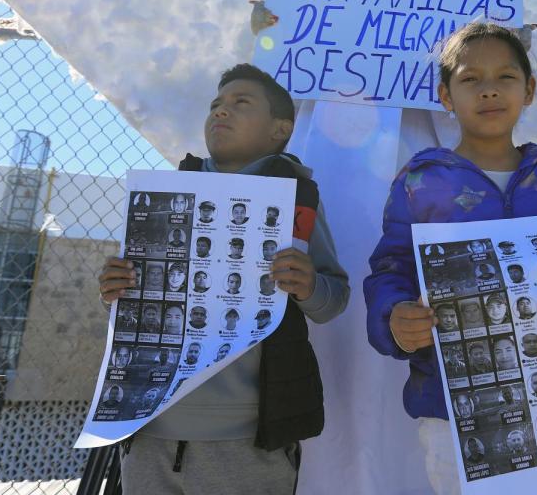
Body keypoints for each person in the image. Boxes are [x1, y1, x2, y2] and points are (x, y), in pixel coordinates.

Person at [363, 22, 537, 495]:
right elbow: (391, 269)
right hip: (461, 413)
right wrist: (394, 317)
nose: (488, 90)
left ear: (529, 90)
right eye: (470, 79)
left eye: (505, 77)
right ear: (446, 97)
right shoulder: (421, 182)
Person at [97, 63, 351, 494]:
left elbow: (334, 298)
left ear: (280, 129)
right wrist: (114, 290)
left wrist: (309, 287)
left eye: (241, 103)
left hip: (248, 439)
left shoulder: (299, 200)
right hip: (149, 426)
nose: (221, 111)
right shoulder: (167, 196)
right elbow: (132, 308)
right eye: (216, 104)